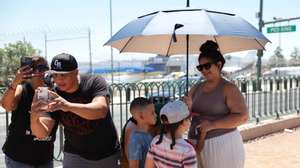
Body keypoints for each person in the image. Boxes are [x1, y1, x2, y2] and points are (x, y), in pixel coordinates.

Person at [30, 53, 120, 168]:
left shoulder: (94, 81)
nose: (59, 79)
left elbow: (101, 110)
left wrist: (67, 106)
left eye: (64, 75)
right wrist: (34, 117)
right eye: (55, 75)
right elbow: (41, 134)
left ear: (76, 72)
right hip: (74, 154)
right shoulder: (54, 93)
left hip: (105, 153)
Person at [185, 40, 249, 168]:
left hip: (222, 144)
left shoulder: (228, 88)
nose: (203, 70)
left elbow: (242, 117)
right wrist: (186, 106)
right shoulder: (196, 87)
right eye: (200, 67)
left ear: (218, 64)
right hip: (194, 144)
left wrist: (212, 125)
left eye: (207, 66)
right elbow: (186, 114)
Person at [1, 56, 58, 168]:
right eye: (34, 68)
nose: (40, 72)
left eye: (43, 68)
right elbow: (6, 106)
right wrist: (15, 82)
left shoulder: (51, 92)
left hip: (44, 158)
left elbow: (44, 128)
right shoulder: (21, 89)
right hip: (18, 158)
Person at [145, 100, 197, 168]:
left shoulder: (156, 141)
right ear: (184, 122)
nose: (191, 121)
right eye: (189, 118)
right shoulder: (188, 150)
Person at [127, 97, 156, 168]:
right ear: (141, 116)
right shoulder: (136, 139)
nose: (156, 115)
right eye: (152, 113)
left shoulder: (149, 133)